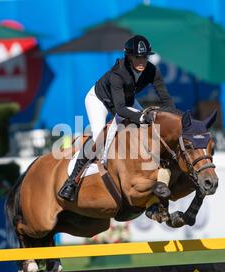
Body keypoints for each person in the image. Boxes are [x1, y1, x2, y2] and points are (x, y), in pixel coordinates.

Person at [58, 35, 174, 202]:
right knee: (99, 137)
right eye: (137, 57)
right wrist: (141, 117)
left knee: (150, 128)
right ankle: (71, 182)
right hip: (99, 100)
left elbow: (165, 99)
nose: (142, 61)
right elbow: (119, 110)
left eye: (145, 57)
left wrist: (176, 119)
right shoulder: (118, 74)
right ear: (128, 56)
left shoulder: (151, 70)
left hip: (125, 100)